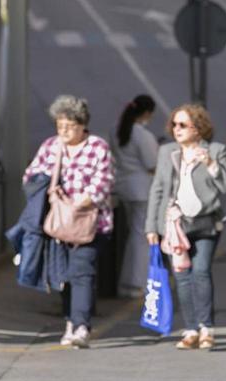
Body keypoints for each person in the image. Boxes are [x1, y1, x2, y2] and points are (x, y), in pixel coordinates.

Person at [145, 104, 226, 350]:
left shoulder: (215, 151)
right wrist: (151, 226)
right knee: (182, 277)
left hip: (206, 223)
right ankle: (190, 329)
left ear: (198, 129)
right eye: (174, 125)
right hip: (174, 225)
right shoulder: (167, 152)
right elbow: (157, 189)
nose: (176, 129)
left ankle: (207, 328)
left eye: (183, 125)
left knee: (200, 271)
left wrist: (210, 164)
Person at [24, 95, 114, 348]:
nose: (63, 130)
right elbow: (30, 175)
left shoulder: (98, 147)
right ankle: (70, 322)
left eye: (69, 125)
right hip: (59, 224)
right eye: (59, 124)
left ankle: (81, 325)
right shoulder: (51, 146)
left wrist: (82, 201)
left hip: (91, 222)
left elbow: (104, 182)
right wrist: (46, 188)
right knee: (64, 274)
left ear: (83, 124)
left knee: (82, 272)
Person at [109, 94, 158, 298]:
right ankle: (136, 282)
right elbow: (152, 164)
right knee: (141, 237)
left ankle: (128, 281)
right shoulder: (143, 135)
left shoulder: (116, 130)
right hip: (142, 190)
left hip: (123, 188)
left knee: (132, 235)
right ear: (147, 113)